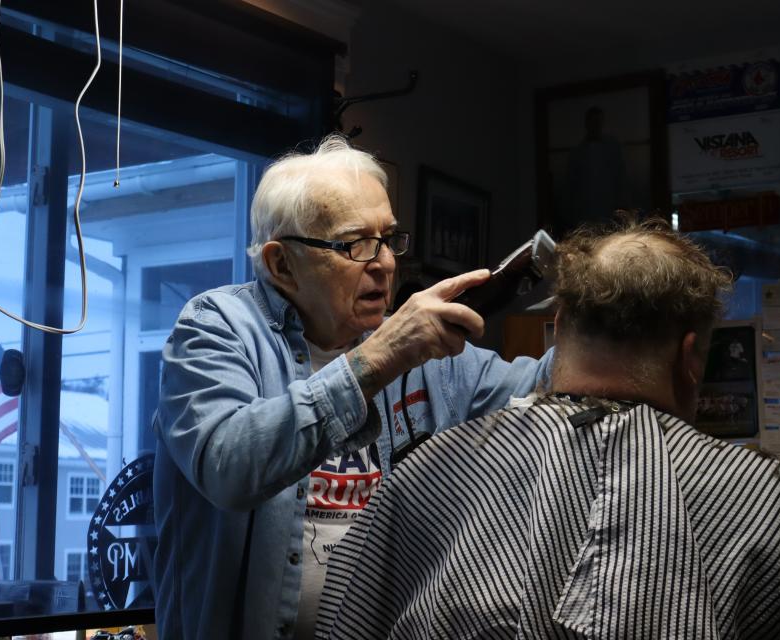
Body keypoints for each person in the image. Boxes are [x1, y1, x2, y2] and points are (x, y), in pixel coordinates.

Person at [317, 217, 780, 639]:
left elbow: (347, 616)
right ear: (691, 357)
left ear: (557, 331)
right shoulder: (773, 507)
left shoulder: (426, 480)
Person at [152, 134, 553, 640]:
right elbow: (230, 466)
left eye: (389, 238)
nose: (385, 263)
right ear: (282, 265)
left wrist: (614, 309)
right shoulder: (216, 328)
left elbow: (547, 388)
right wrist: (378, 359)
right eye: (355, 244)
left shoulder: (424, 354)